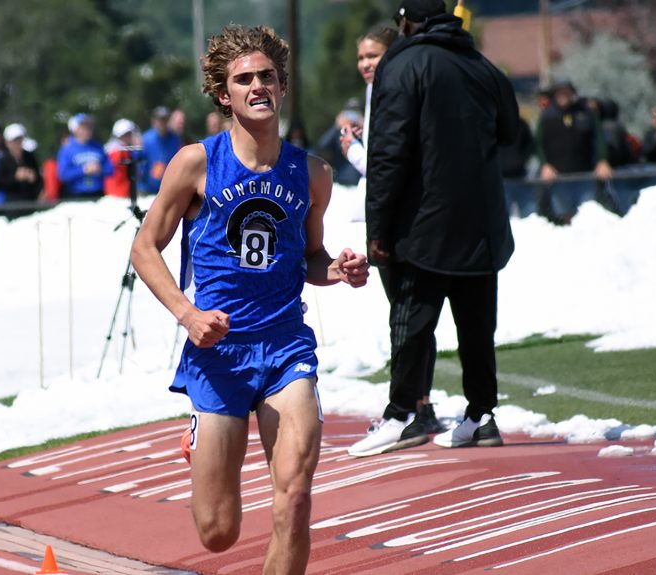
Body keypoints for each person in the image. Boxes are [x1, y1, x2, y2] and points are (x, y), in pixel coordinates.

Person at [130, 25, 370, 573]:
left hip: (286, 348)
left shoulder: (313, 174)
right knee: (218, 532)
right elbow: (144, 248)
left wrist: (336, 268)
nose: (257, 86)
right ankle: (201, 431)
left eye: (266, 76)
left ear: (281, 87)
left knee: (295, 500)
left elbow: (310, 257)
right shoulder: (196, 163)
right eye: (244, 79)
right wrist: (187, 315)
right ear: (224, 94)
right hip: (219, 353)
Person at [350, 0, 518, 457]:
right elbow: (511, 133)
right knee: (477, 326)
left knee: (410, 322)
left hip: (424, 224)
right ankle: (481, 415)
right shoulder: (481, 64)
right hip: (481, 223)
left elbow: (388, 152)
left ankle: (401, 415)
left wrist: (377, 227)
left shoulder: (402, 63)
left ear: (405, 20)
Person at [336, 25, 398, 223]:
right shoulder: (373, 88)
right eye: (361, 58)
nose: (365, 64)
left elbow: (382, 169)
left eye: (372, 56)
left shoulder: (394, 94)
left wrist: (352, 148)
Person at [534, 80, 612, 223]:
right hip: (559, 178)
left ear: (573, 94)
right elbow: (539, 143)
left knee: (588, 215)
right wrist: (545, 165)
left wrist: (602, 160)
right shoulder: (547, 116)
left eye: (566, 93)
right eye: (559, 94)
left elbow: (599, 138)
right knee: (564, 217)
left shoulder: (586, 113)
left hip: (585, 175)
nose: (563, 97)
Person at [57, 113, 111, 199]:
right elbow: (63, 175)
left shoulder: (98, 146)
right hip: (76, 195)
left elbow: (110, 170)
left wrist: (99, 169)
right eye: (83, 127)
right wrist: (83, 170)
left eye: (89, 127)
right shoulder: (67, 149)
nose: (87, 130)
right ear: (75, 129)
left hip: (98, 194)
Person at [139, 106, 182, 194]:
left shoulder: (175, 139)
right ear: (154, 121)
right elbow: (139, 166)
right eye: (160, 119)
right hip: (148, 190)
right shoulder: (145, 140)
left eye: (165, 119)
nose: (163, 122)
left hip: (168, 190)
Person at [0, 123, 42, 203]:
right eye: (14, 141)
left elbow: (38, 178)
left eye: (19, 139)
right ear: (7, 143)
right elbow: (0, 183)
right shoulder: (3, 160)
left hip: (30, 202)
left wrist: (32, 177)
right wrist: (15, 178)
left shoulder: (29, 157)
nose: (18, 143)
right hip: (12, 204)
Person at [104, 118, 140, 200]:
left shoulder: (114, 149)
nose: (130, 137)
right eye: (127, 135)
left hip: (120, 194)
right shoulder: (117, 151)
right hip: (117, 196)